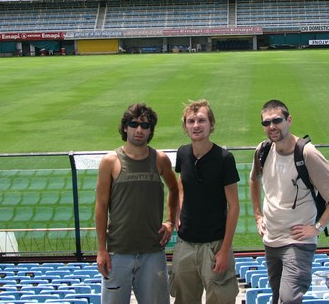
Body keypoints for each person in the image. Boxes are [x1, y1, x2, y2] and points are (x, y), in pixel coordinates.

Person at [249, 99, 329, 304]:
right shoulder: (263, 150)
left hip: (298, 242)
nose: (272, 126)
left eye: (277, 120)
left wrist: (318, 227)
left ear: (289, 120)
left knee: (289, 298)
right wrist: (258, 216)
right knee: (277, 297)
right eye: (266, 123)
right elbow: (254, 179)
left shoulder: (307, 153)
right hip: (271, 239)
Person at [95, 102, 179, 304]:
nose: (139, 129)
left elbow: (175, 188)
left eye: (145, 125)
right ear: (125, 127)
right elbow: (101, 206)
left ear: (150, 130)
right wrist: (101, 249)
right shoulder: (110, 161)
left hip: (152, 252)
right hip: (118, 252)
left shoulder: (159, 159)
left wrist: (170, 221)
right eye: (134, 124)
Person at [169, 100, 240, 304]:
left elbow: (234, 206)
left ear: (211, 124)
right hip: (186, 243)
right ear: (185, 126)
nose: (196, 125)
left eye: (201, 120)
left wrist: (224, 250)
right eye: (191, 121)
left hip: (214, 245)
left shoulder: (224, 159)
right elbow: (181, 184)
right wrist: (178, 211)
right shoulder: (183, 153)